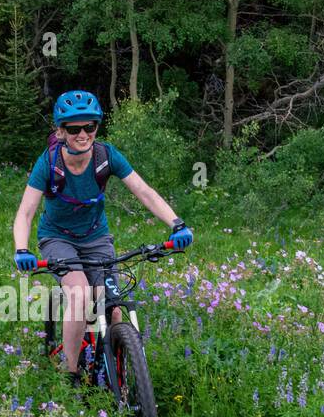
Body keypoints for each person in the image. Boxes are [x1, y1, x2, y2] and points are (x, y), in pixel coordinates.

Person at [12, 89, 194, 386]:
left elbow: (144, 191)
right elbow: (25, 212)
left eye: (90, 127)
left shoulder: (106, 155)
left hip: (96, 238)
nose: (83, 134)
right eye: (74, 128)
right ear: (60, 131)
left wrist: (176, 223)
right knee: (81, 296)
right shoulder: (48, 162)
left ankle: (116, 370)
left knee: (114, 306)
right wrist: (22, 249)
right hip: (58, 238)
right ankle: (71, 373)